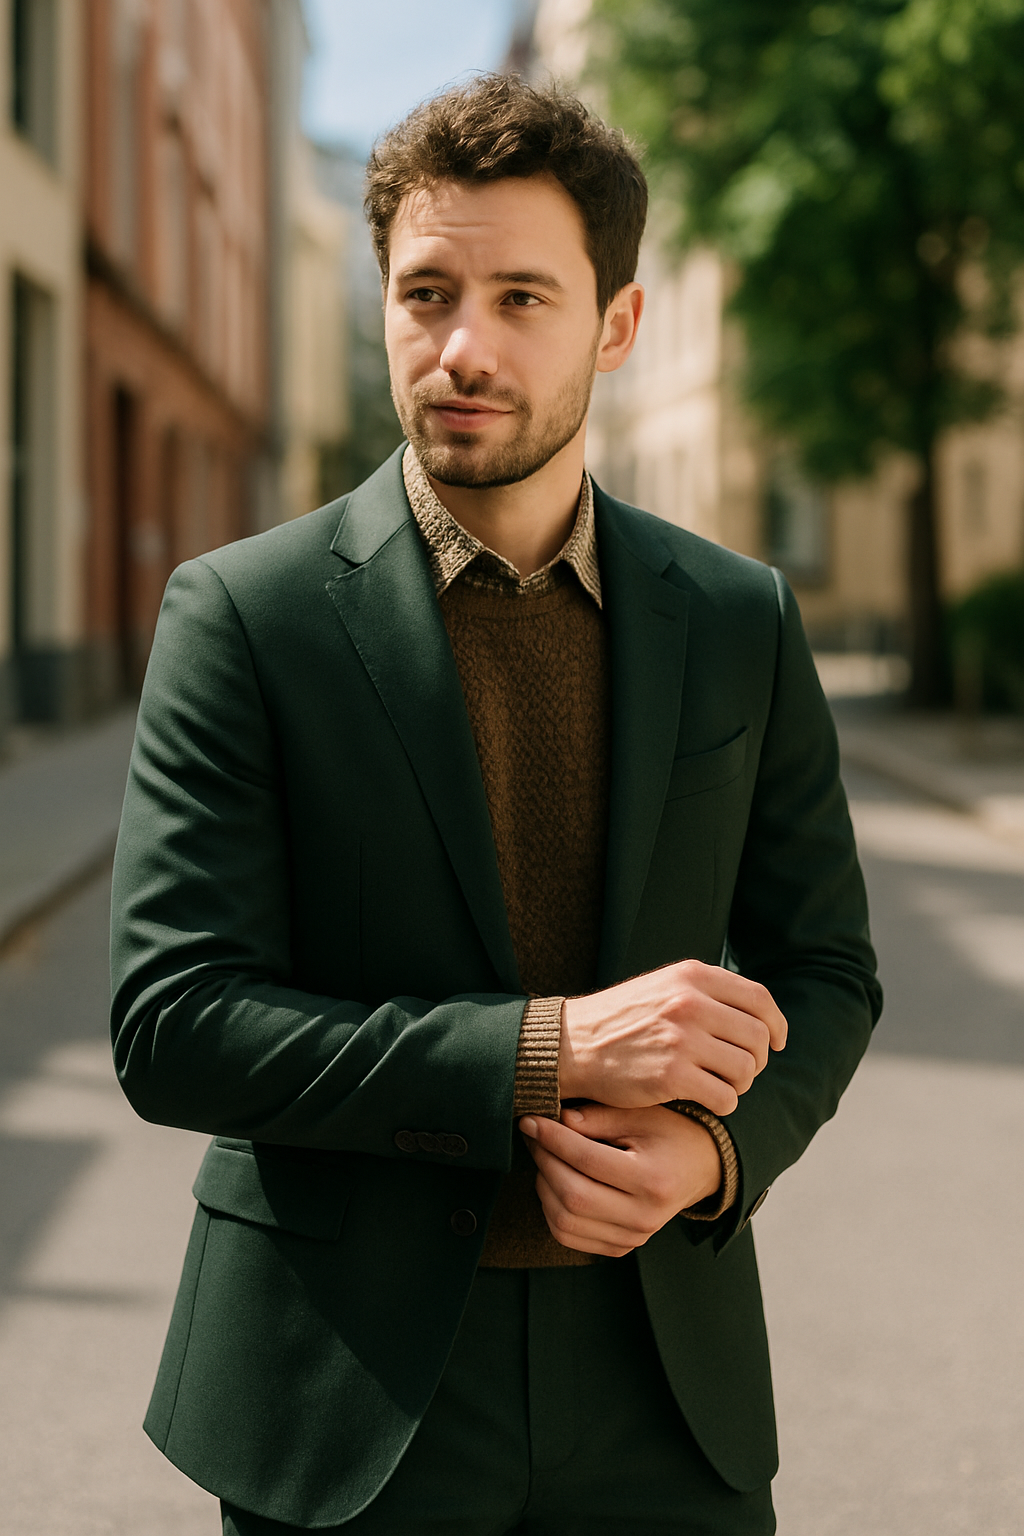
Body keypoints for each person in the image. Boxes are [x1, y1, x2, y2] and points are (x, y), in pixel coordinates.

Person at [110, 74, 881, 1536]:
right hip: (346, 1398)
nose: (463, 346)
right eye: (426, 292)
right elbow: (174, 1028)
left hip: (665, 1386)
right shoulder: (243, 616)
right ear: (384, 305)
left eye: (524, 296)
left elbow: (829, 970)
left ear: (616, 326)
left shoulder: (738, 618)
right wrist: (546, 1050)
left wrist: (719, 1154)